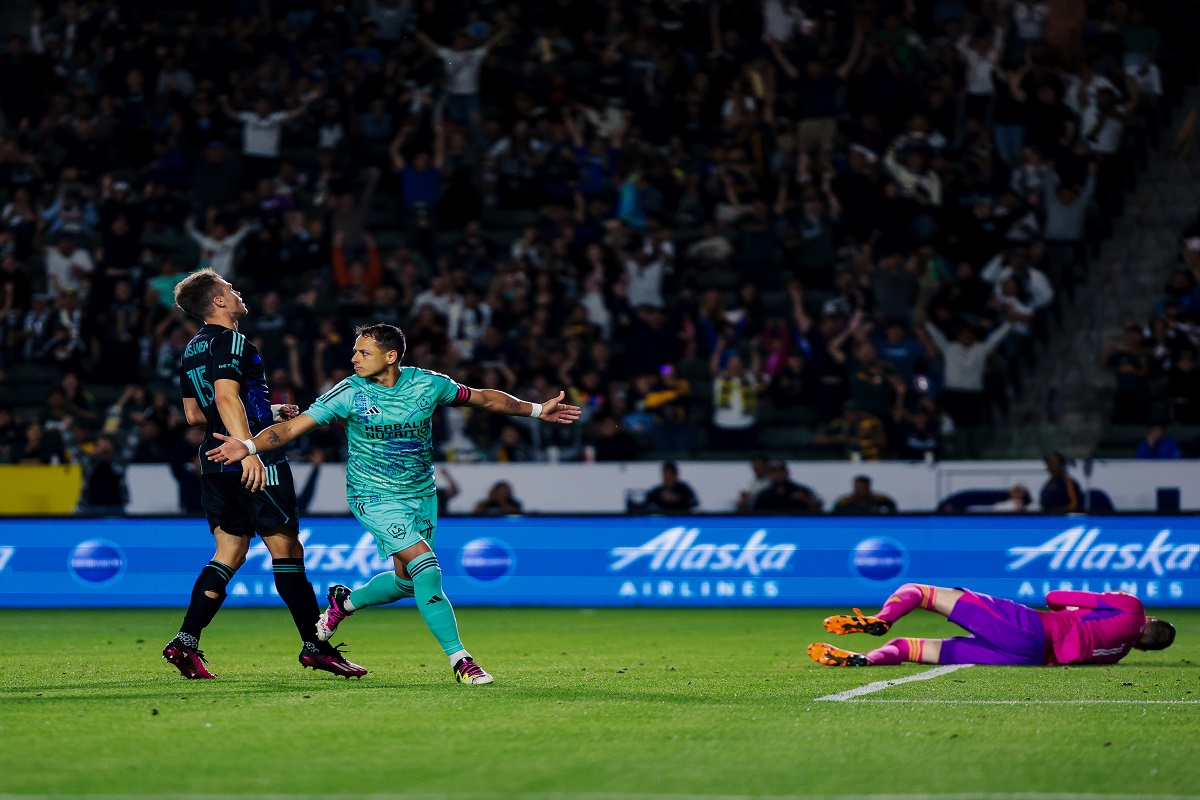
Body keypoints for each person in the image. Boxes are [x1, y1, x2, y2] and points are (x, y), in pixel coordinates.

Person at [206, 323, 581, 685]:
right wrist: (249, 445)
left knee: (407, 583)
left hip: (420, 494)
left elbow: (484, 398)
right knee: (426, 567)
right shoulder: (348, 393)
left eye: (363, 352)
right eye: (355, 351)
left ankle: (344, 604)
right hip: (373, 496)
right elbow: (290, 428)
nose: (354, 357)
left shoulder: (429, 385)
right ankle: (461, 659)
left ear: (391, 356)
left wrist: (535, 410)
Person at [163, 268, 366, 681]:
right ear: (218, 301)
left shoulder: (191, 348)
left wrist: (267, 413)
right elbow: (225, 395)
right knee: (287, 551)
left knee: (229, 552)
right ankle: (316, 647)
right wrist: (250, 451)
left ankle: (185, 641)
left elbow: (193, 414)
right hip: (250, 459)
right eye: (230, 289)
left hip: (211, 457)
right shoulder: (234, 340)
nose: (237, 293)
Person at [808, 584, 1175, 667]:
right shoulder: (1118, 655)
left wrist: (1079, 605)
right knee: (910, 649)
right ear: (1143, 647)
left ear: (1151, 620)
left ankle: (881, 619)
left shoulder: (1131, 606)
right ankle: (866, 660)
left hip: (1030, 627)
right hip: (1027, 658)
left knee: (918, 592)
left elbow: (1054, 595)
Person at [752, 461, 822, 514]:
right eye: (774, 472)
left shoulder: (800, 490)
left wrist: (805, 499)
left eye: (780, 471)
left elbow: (818, 508)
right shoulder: (764, 494)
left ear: (787, 472)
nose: (778, 475)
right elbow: (754, 513)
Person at [832, 475, 897, 514]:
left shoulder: (881, 500)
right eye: (858, 488)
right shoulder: (844, 502)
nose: (860, 490)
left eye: (863, 487)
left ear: (868, 487)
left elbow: (893, 510)